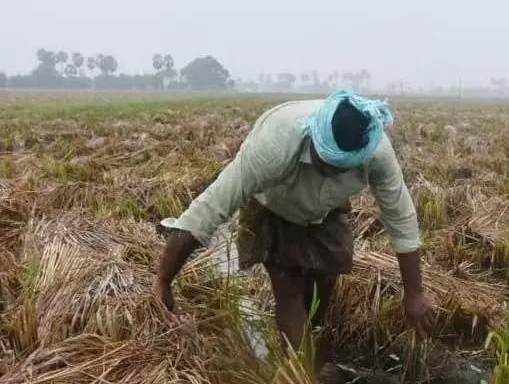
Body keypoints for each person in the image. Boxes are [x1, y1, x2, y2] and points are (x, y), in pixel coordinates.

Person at [152, 89, 435, 354]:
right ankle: (300, 373)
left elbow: (401, 217)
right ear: (315, 138)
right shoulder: (274, 144)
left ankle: (304, 348)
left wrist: (414, 292)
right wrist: (164, 280)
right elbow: (210, 207)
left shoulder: (376, 153)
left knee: (324, 280)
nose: (329, 172)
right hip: (273, 205)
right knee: (289, 290)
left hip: (325, 210)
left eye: (341, 168)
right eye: (326, 163)